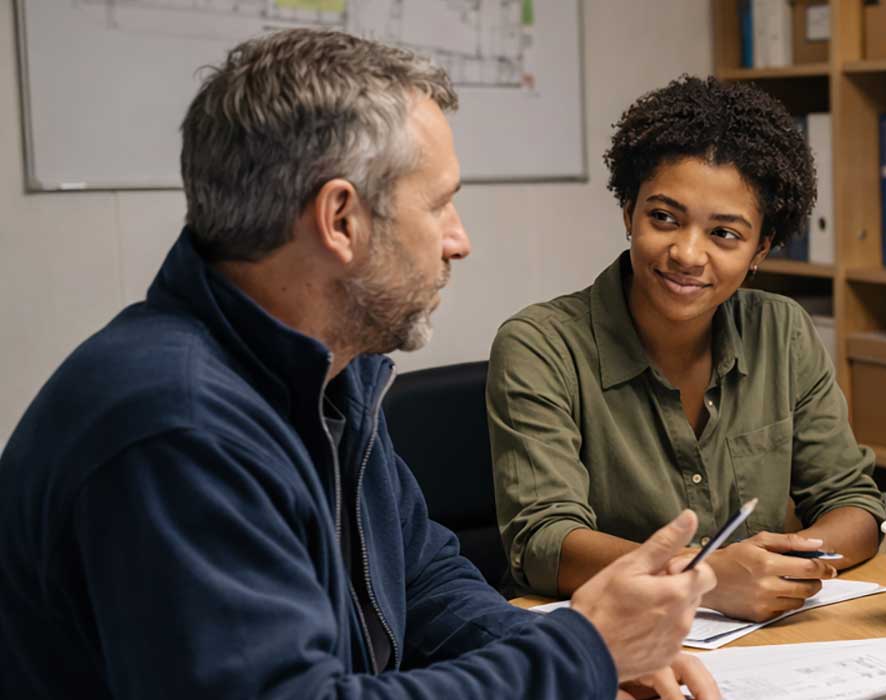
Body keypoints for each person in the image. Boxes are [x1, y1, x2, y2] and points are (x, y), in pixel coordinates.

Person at [0, 30, 720, 699]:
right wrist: (578, 653)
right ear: (340, 219)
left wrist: (581, 659)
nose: (458, 240)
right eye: (440, 206)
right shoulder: (177, 427)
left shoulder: (324, 375)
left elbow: (422, 578)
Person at [489, 76, 886, 622]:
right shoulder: (540, 346)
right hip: (598, 642)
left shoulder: (782, 330)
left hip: (755, 635)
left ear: (759, 250)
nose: (687, 253)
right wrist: (706, 575)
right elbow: (545, 542)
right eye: (664, 218)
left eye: (724, 234)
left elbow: (854, 505)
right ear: (628, 212)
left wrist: (789, 564)